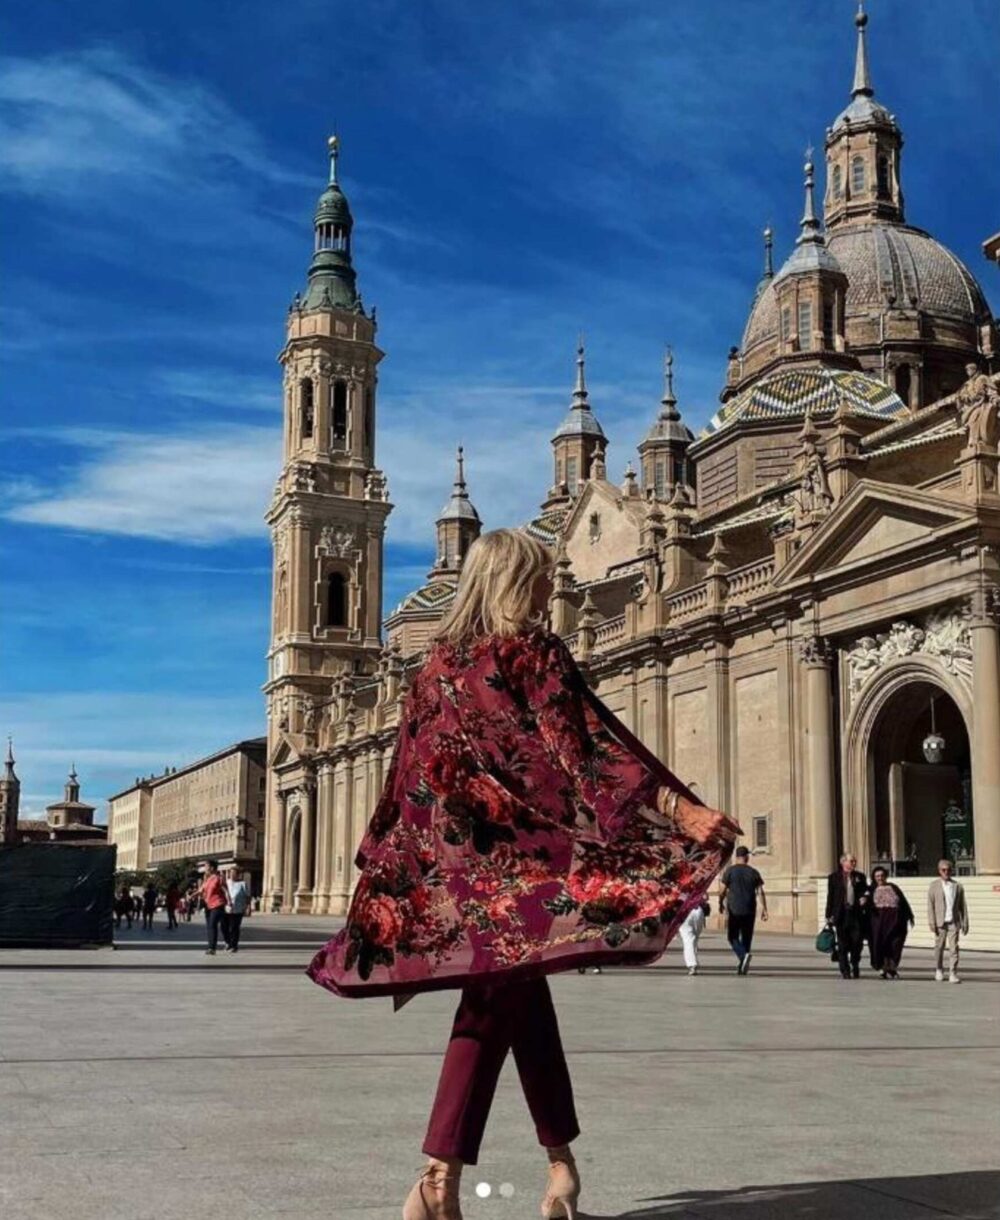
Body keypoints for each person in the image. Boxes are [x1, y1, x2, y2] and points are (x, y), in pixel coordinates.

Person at [306, 528, 740, 1220]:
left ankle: (553, 1170)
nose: (549, 592)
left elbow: (405, 778)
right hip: (525, 865)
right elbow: (586, 747)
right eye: (541, 579)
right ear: (514, 582)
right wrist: (676, 808)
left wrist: (390, 863)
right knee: (496, 1004)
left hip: (459, 873)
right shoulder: (529, 650)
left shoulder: (432, 669)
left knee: (515, 998)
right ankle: (442, 1176)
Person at [718, 846, 767, 975]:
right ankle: (743, 964)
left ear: (737, 857)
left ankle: (742, 957)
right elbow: (760, 892)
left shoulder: (729, 871)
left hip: (734, 909)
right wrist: (765, 909)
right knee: (747, 938)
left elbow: (722, 890)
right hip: (750, 909)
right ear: (746, 857)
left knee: (732, 936)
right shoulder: (753, 872)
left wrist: (720, 902)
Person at [825, 853, 869, 979]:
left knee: (857, 942)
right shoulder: (834, 877)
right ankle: (845, 970)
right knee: (843, 944)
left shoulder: (860, 876)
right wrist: (829, 915)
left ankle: (855, 963)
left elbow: (865, 890)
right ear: (843, 862)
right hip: (841, 914)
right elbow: (831, 897)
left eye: (854, 861)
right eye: (851, 861)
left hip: (856, 914)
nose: (853, 863)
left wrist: (865, 897)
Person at [927, 859, 969, 984]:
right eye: (943, 870)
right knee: (939, 947)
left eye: (948, 870)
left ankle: (953, 973)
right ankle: (939, 969)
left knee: (954, 948)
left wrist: (965, 922)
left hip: (954, 922)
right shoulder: (934, 886)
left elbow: (963, 906)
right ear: (939, 871)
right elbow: (930, 905)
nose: (946, 872)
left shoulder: (958, 886)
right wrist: (931, 922)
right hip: (940, 922)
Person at [867, 866, 914, 978]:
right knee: (880, 944)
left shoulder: (893, 887)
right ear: (874, 877)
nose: (880, 878)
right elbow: (867, 905)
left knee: (895, 944)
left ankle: (892, 967)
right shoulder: (871, 889)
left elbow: (903, 902)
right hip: (879, 923)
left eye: (882, 875)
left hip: (895, 921)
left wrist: (909, 916)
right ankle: (883, 968)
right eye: (877, 876)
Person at [198, 861, 229, 956]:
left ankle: (212, 948)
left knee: (212, 925)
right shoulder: (207, 879)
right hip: (208, 905)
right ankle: (214, 945)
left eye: (206, 866)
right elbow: (201, 890)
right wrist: (192, 896)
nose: (205, 868)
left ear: (212, 868)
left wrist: (229, 903)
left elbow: (226, 891)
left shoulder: (219, 878)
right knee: (210, 927)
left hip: (218, 904)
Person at [678, 900, 710, 975]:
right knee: (694, 939)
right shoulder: (696, 888)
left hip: (684, 911)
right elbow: (705, 897)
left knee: (688, 940)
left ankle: (692, 965)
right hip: (698, 910)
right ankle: (693, 963)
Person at [224, 867, 250, 953]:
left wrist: (248, 907)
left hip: (238, 909)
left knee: (234, 927)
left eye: (234, 873)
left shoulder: (242, 884)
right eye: (231, 873)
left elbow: (247, 896)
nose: (232, 875)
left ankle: (234, 945)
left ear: (238, 875)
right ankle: (228, 942)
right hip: (226, 908)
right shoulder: (226, 883)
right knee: (225, 927)